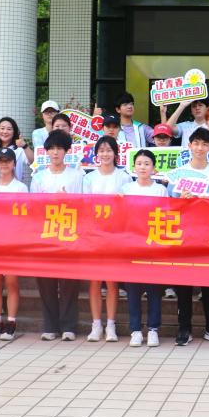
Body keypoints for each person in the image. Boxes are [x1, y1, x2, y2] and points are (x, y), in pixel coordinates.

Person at [171, 128, 209, 345]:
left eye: (204, 144)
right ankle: (184, 328)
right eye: (196, 143)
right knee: (183, 284)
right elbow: (169, 207)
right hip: (185, 235)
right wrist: (181, 200)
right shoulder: (179, 173)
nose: (200, 148)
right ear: (189, 146)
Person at [30, 129, 85, 341]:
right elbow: (33, 209)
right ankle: (50, 326)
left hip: (70, 235)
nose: (55, 152)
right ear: (46, 151)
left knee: (69, 282)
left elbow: (84, 205)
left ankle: (69, 326)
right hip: (46, 236)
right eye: (51, 148)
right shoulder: (39, 177)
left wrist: (67, 200)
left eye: (59, 148)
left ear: (66, 151)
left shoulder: (77, 175)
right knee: (46, 282)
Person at [83, 136, 132, 342]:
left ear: (115, 153)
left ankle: (111, 324)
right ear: (96, 154)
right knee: (95, 281)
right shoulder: (89, 178)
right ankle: (96, 324)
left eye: (109, 150)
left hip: (115, 236)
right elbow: (85, 207)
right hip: (94, 235)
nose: (105, 154)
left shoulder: (124, 177)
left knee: (112, 281)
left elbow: (130, 207)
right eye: (101, 150)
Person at [122, 149, 168, 347]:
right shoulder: (126, 189)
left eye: (147, 163)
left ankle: (153, 329)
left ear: (153, 168)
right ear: (134, 167)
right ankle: (135, 330)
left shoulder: (160, 190)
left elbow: (166, 217)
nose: (143, 167)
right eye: (139, 163)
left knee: (154, 289)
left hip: (153, 246)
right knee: (132, 290)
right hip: (132, 245)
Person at [0, 148, 27, 341]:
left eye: (8, 161)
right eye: (1, 160)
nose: (4, 164)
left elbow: (25, 215)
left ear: (14, 164)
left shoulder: (21, 188)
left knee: (11, 282)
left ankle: (11, 322)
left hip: (13, 242)